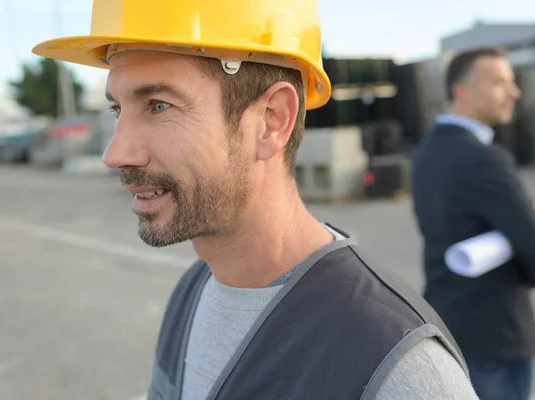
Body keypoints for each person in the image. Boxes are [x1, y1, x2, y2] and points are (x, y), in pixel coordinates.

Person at [33, 1, 479, 399]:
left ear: (272, 120)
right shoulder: (195, 290)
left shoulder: (397, 368)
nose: (115, 154)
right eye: (118, 109)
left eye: (158, 105)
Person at [411, 47, 535, 400]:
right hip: (496, 337)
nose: (514, 91)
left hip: (447, 323)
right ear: (463, 92)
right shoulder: (485, 160)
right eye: (499, 82)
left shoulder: (427, 151)